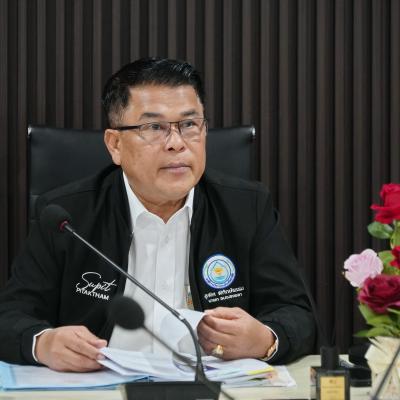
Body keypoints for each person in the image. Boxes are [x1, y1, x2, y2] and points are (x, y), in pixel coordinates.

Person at [0, 58, 315, 372]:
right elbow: (11, 316)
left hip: (212, 387)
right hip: (100, 387)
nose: (177, 143)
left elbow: (298, 314)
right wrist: (43, 343)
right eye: (154, 127)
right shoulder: (66, 216)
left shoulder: (246, 207)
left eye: (189, 125)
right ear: (115, 145)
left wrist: (265, 339)